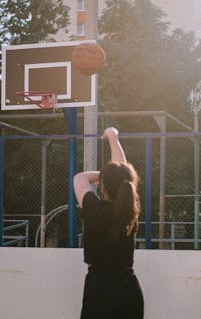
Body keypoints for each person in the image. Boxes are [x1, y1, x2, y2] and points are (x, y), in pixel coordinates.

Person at [73, 127, 144, 319]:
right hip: (129, 291)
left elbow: (80, 178)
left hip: (100, 291)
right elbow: (122, 172)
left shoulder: (94, 209)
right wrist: (113, 138)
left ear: (102, 187)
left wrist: (103, 175)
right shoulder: (130, 210)